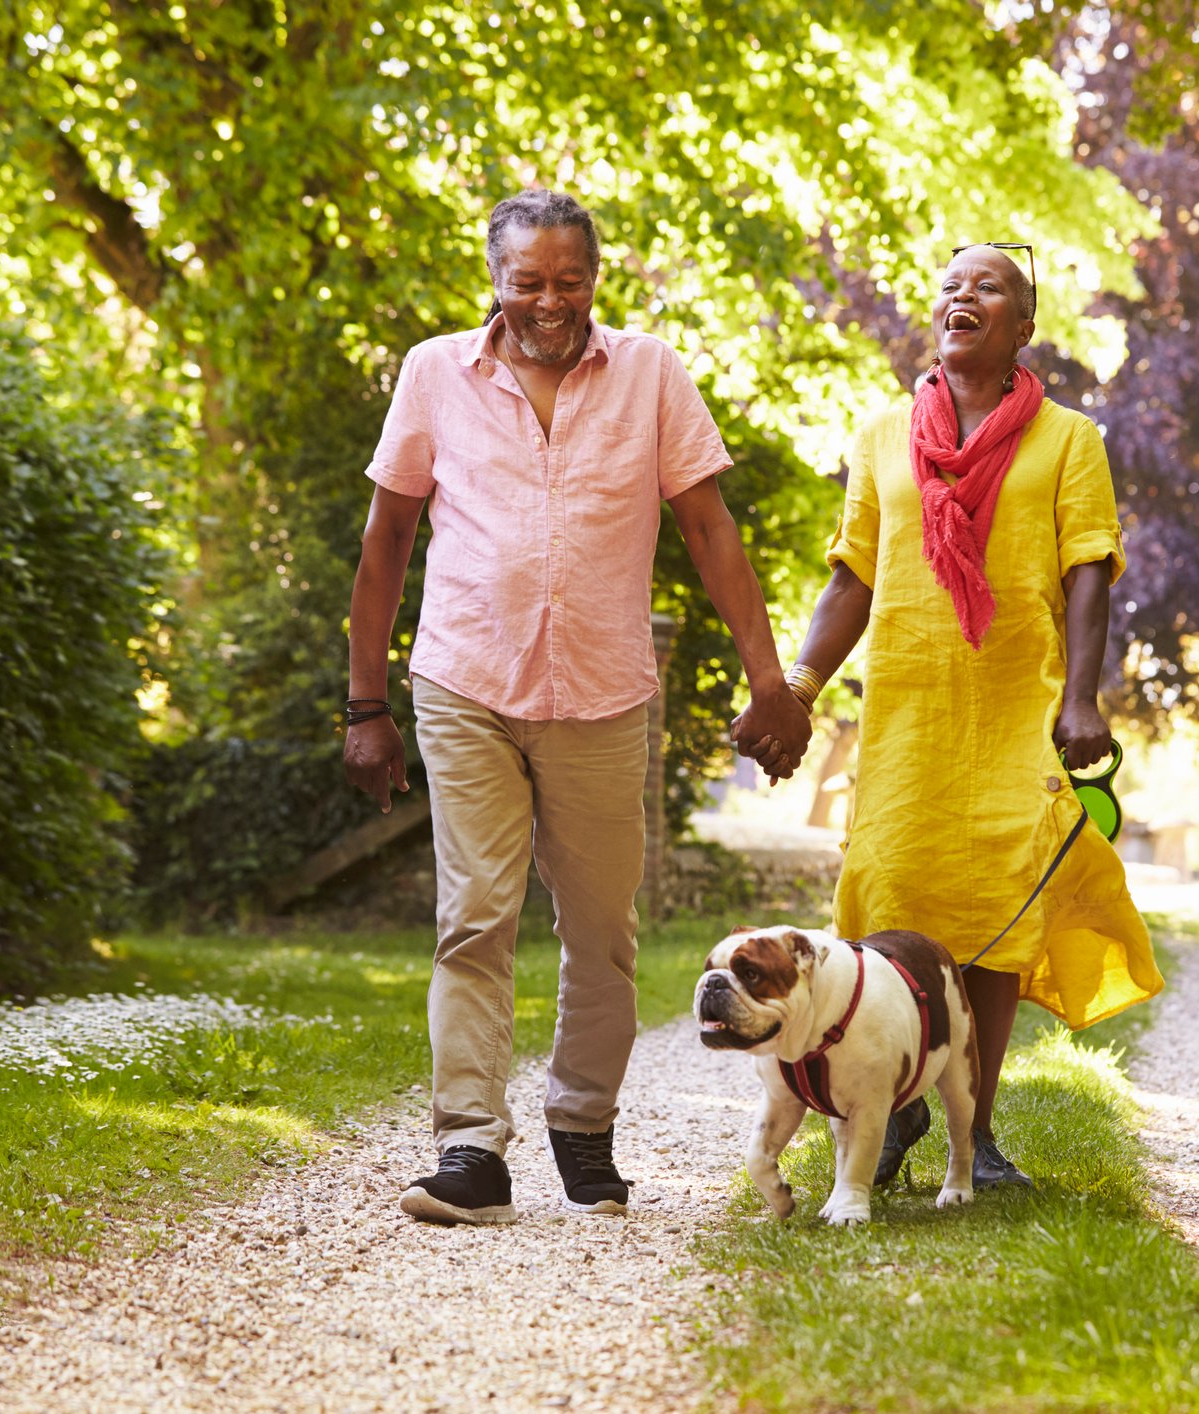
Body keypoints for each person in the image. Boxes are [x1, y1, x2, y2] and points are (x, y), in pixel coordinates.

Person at [345, 189, 812, 1226]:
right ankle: (470, 1149)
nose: (550, 302)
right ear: (495, 282)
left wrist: (767, 677)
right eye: (528, 283)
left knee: (602, 931)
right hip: (466, 681)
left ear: (595, 279)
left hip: (600, 694)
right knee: (473, 918)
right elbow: (385, 540)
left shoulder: (649, 373)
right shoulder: (435, 373)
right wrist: (364, 703)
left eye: (570, 280)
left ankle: (582, 1124)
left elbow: (707, 529)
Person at [749, 243, 1163, 1190]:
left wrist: (1083, 698)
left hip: (1018, 707)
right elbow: (853, 574)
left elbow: (1087, 569)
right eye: (949, 285)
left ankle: (974, 1134)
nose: (961, 295)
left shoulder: (1068, 440)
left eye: (988, 286)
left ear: (1023, 325)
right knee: (890, 900)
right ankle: (885, 1117)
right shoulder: (881, 435)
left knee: (993, 921)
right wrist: (800, 687)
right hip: (906, 713)